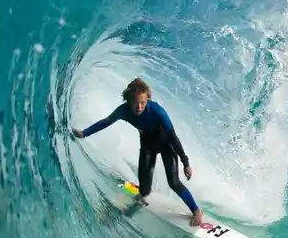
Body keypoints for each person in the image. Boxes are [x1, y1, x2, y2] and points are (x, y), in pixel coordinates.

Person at [71, 78, 203, 226]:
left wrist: (186, 163)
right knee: (144, 190)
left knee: (174, 182)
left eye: (143, 103)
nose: (139, 107)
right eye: (136, 103)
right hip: (147, 147)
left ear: (147, 100)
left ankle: (196, 211)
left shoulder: (157, 111)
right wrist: (84, 133)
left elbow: (172, 136)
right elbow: (105, 122)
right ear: (128, 100)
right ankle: (142, 195)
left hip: (167, 146)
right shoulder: (124, 111)